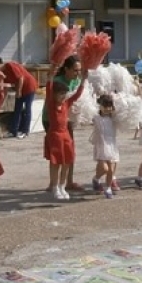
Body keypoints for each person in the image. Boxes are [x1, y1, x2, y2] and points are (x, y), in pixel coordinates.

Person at [44, 56, 85, 192]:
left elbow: (77, 96)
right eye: (75, 70)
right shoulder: (57, 82)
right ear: (66, 69)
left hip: (67, 121)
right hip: (52, 121)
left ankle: (68, 181)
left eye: (79, 70)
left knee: (69, 151)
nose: (77, 73)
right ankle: (54, 183)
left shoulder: (76, 81)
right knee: (56, 153)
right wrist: (51, 73)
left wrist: (84, 79)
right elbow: (50, 95)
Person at [0, 56, 37, 139]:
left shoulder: (10, 65)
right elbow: (5, 90)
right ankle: (13, 131)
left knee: (27, 109)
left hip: (29, 86)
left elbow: (21, 78)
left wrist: (19, 91)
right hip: (19, 89)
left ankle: (25, 131)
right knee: (17, 110)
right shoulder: (2, 75)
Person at [90, 94, 119, 198]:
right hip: (101, 145)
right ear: (100, 106)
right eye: (105, 106)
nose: (108, 109)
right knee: (105, 169)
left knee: (111, 170)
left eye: (110, 106)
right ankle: (96, 178)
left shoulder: (114, 118)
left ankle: (108, 188)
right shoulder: (96, 117)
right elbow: (88, 116)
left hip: (112, 145)